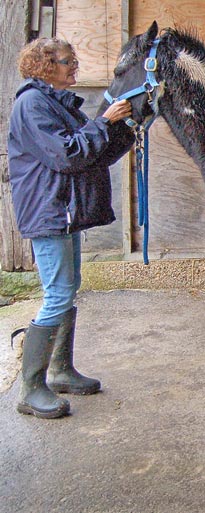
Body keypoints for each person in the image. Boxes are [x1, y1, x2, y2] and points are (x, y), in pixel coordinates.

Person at [8, 38, 135, 419]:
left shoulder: (56, 104)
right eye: (66, 62)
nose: (73, 67)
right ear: (44, 65)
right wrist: (103, 121)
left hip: (62, 210)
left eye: (73, 61)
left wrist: (125, 128)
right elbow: (68, 154)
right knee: (58, 294)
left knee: (67, 289)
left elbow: (93, 151)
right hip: (49, 211)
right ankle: (30, 389)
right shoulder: (32, 104)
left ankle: (60, 370)